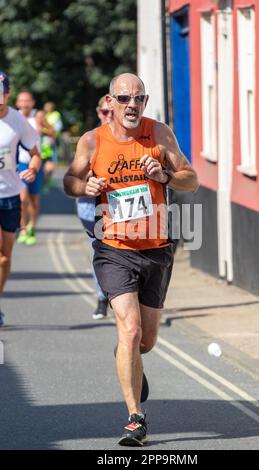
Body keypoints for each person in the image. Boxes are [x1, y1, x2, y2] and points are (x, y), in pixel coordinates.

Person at [63, 73, 198, 446]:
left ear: (145, 102)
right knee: (131, 329)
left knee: (146, 340)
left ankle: (131, 361)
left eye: (139, 98)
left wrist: (167, 176)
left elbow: (192, 179)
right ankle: (135, 418)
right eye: (124, 99)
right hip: (114, 249)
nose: (132, 105)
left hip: (155, 248)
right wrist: (84, 186)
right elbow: (69, 181)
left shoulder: (160, 134)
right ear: (111, 101)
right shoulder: (93, 140)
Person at [0, 72, 41, 326]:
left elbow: (35, 153)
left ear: (8, 94)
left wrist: (34, 168)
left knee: (5, 257)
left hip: (11, 196)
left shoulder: (17, 121)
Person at [76, 95, 112, 320]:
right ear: (99, 113)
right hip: (91, 206)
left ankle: (121, 296)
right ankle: (101, 298)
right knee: (99, 249)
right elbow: (75, 175)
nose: (108, 115)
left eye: (111, 111)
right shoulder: (90, 140)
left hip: (119, 205)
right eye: (104, 112)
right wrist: (90, 176)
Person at [16, 91, 44, 245]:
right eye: (21, 101)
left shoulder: (38, 116)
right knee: (22, 198)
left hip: (36, 162)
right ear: (17, 103)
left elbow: (52, 133)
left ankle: (32, 225)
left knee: (34, 200)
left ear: (32, 102)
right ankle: (23, 229)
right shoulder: (14, 117)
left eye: (27, 101)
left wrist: (43, 128)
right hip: (20, 162)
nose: (24, 104)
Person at [42, 101, 63, 192]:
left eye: (48, 107)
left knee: (51, 164)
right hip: (42, 142)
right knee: (43, 164)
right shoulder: (43, 115)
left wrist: (53, 138)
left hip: (51, 141)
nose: (47, 108)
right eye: (46, 107)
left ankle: (47, 181)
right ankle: (44, 182)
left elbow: (58, 128)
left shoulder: (55, 115)